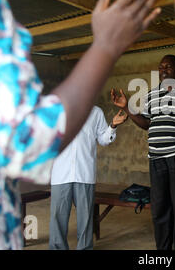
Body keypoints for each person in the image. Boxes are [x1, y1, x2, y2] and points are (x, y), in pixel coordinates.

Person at [0, 0, 160, 249]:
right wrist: (106, 46)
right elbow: (23, 143)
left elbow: (103, 138)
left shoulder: (90, 113)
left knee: (84, 223)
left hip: (79, 176)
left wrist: (117, 122)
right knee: (57, 221)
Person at [110, 54, 175, 250]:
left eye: (168, 67)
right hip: (156, 158)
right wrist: (127, 108)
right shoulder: (151, 95)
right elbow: (146, 124)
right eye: (161, 67)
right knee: (159, 208)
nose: (163, 70)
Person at [49, 107, 127, 250]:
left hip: (84, 173)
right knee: (57, 220)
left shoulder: (96, 112)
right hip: (61, 173)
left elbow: (104, 139)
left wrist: (113, 126)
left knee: (85, 220)